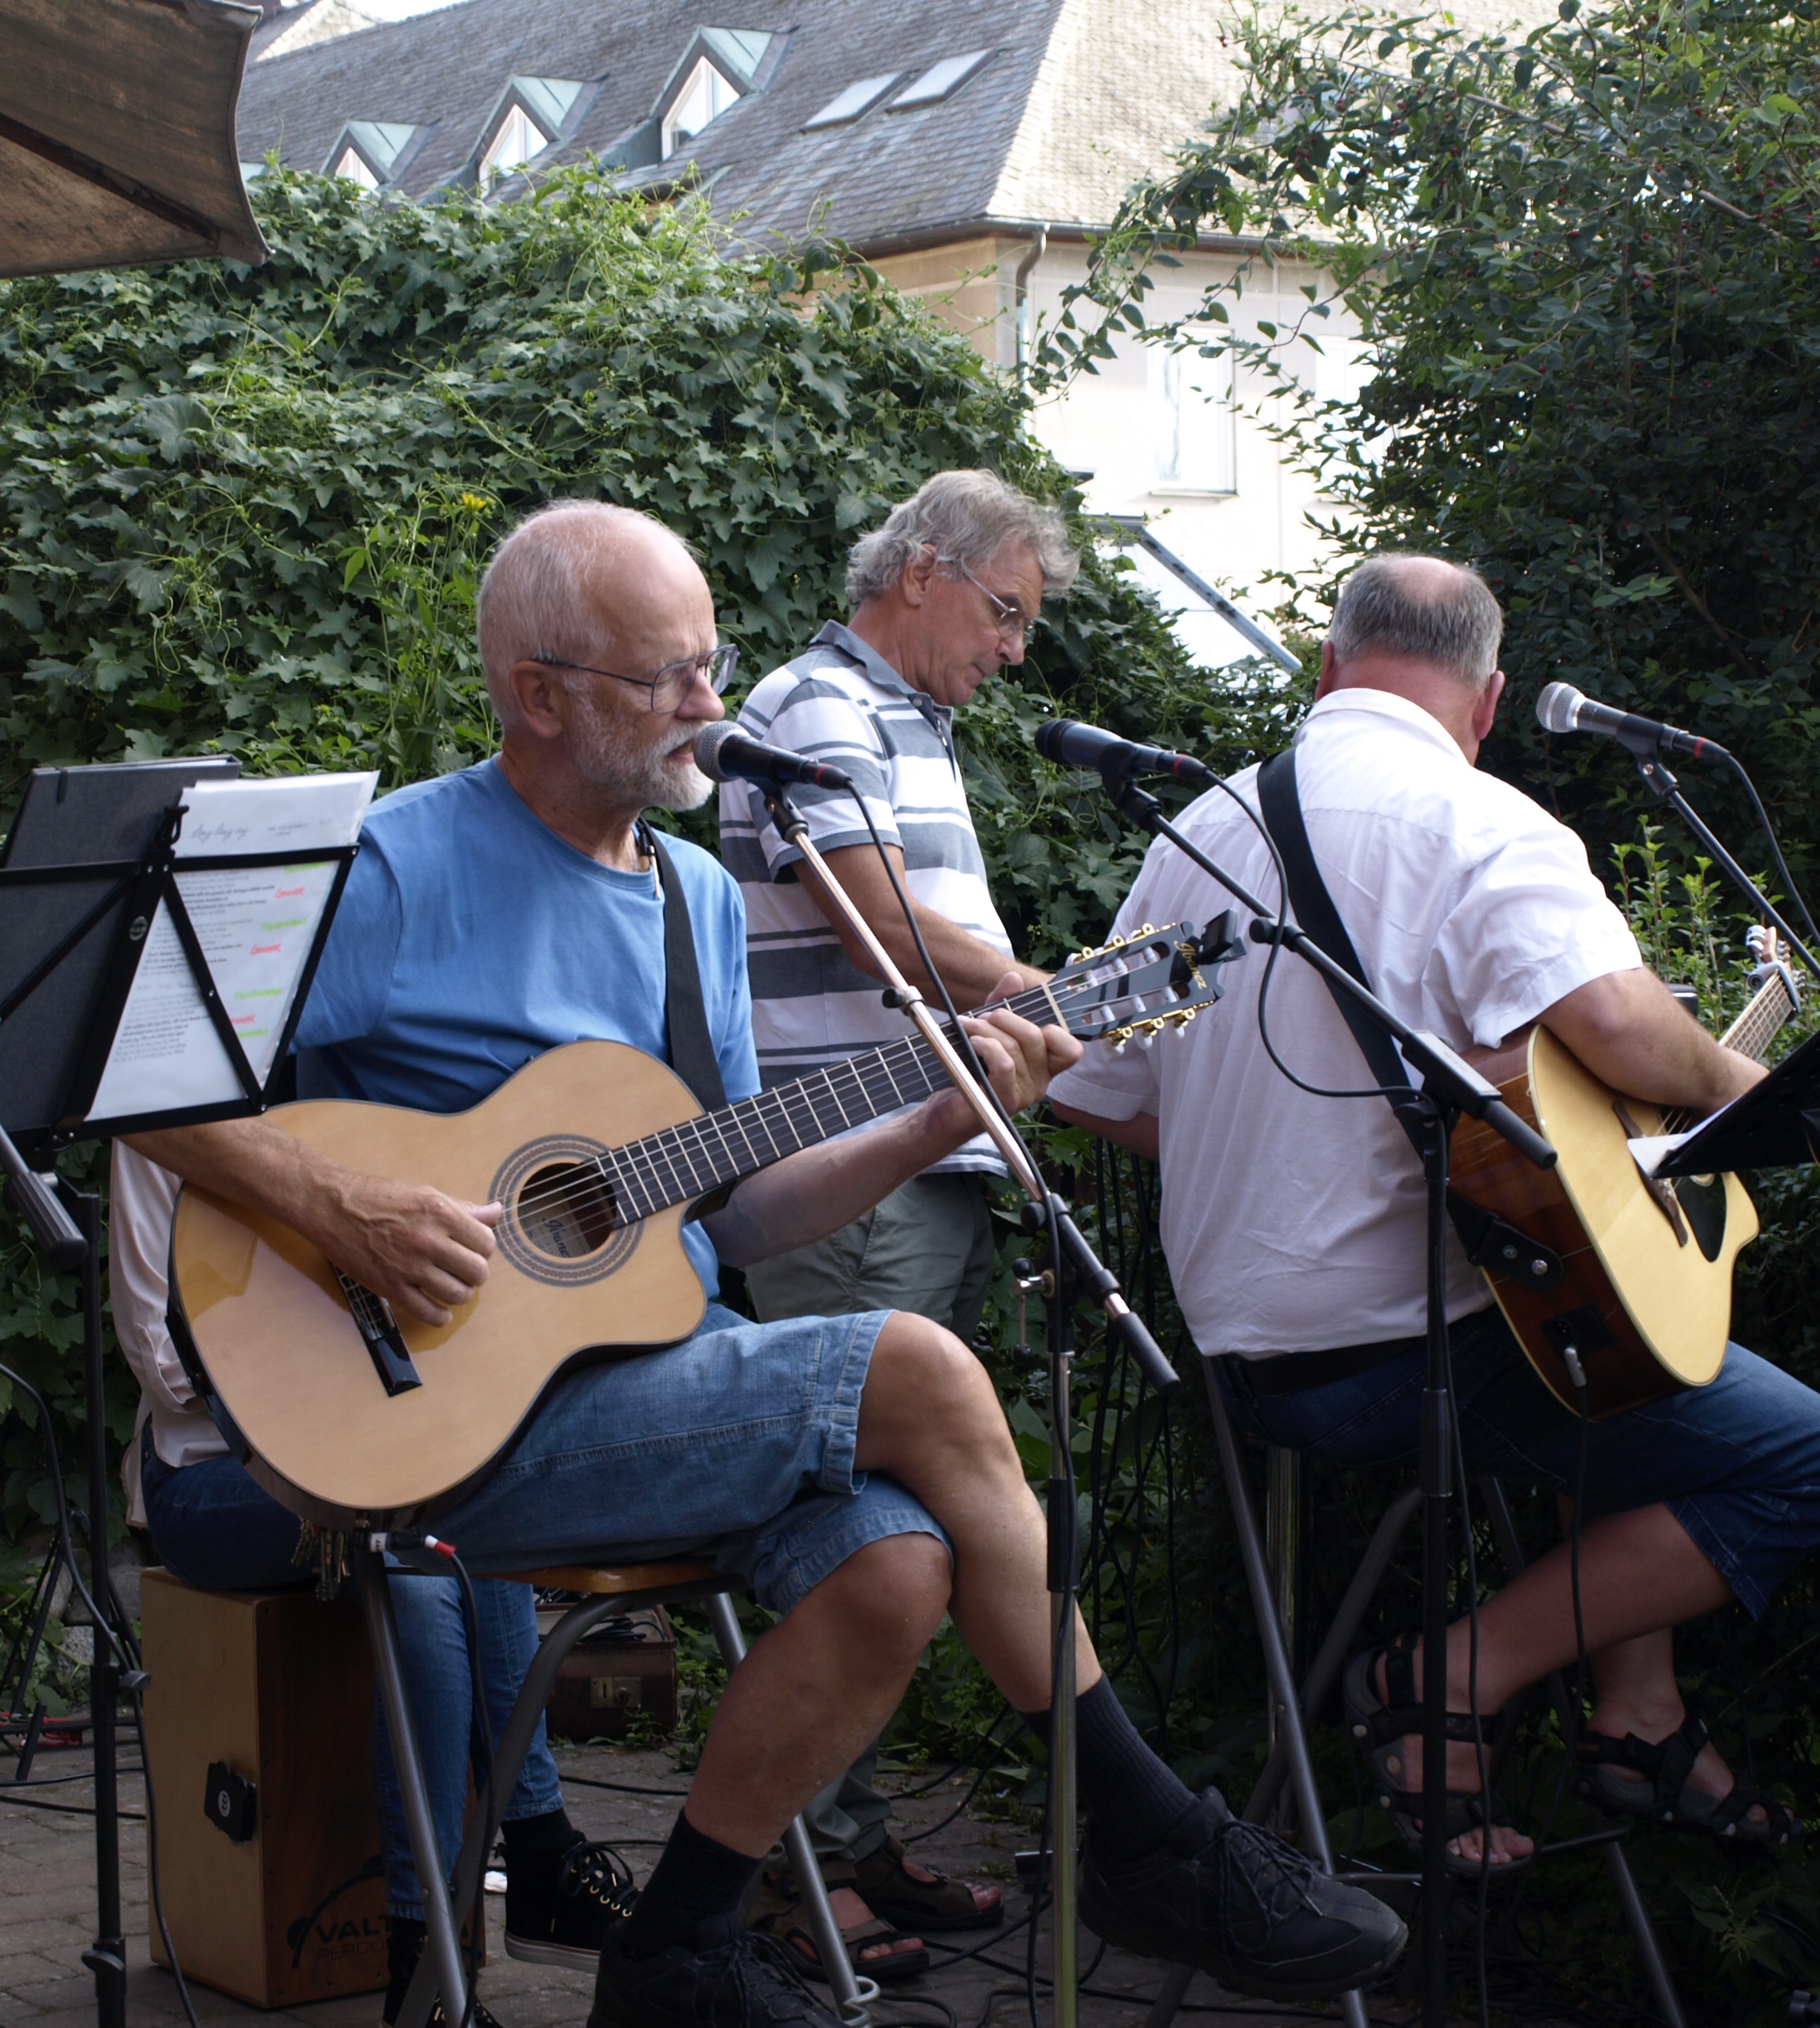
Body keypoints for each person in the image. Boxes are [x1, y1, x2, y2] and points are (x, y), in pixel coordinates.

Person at [119, 500, 1406, 2028]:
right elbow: (138, 1077)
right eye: (664, 674)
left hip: (637, 1385)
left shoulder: (694, 901)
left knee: (895, 1566)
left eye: (712, 662)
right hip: (428, 1415)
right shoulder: (392, 867)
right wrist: (343, 1206)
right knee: (917, 1362)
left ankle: (675, 1950)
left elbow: (727, 1214)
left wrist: (937, 1120)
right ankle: (1148, 1836)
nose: (707, 703)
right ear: (538, 694)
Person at [1048, 553, 1820, 1870]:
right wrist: (1730, 1081)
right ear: (1486, 700)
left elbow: (1095, 1088)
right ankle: (1445, 1679)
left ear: (1327, 667)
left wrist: (1278, 1147)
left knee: (1618, 1343)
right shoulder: (1480, 818)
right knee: (1806, 1455)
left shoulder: (1201, 831)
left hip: (1242, 1356)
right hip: (1401, 1354)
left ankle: (1640, 1715)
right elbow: (1610, 1020)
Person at [713, 471, 1067, 1975]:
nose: (1013, 650)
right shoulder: (818, 705)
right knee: (847, 1522)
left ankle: (845, 1844)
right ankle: (789, 1872)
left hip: (915, 1160)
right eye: (1005, 612)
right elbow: (886, 925)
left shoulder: (899, 720)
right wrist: (1059, 997)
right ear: (922, 570)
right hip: (841, 1167)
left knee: (903, 1526)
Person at [111, 1145, 623, 2028]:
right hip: (213, 1479)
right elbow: (162, 1358)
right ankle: (496, 1890)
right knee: (416, 1532)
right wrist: (343, 1361)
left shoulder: (351, 1100)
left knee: (455, 1512)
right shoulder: (166, 1128)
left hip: (384, 1458)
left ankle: (453, 1935)